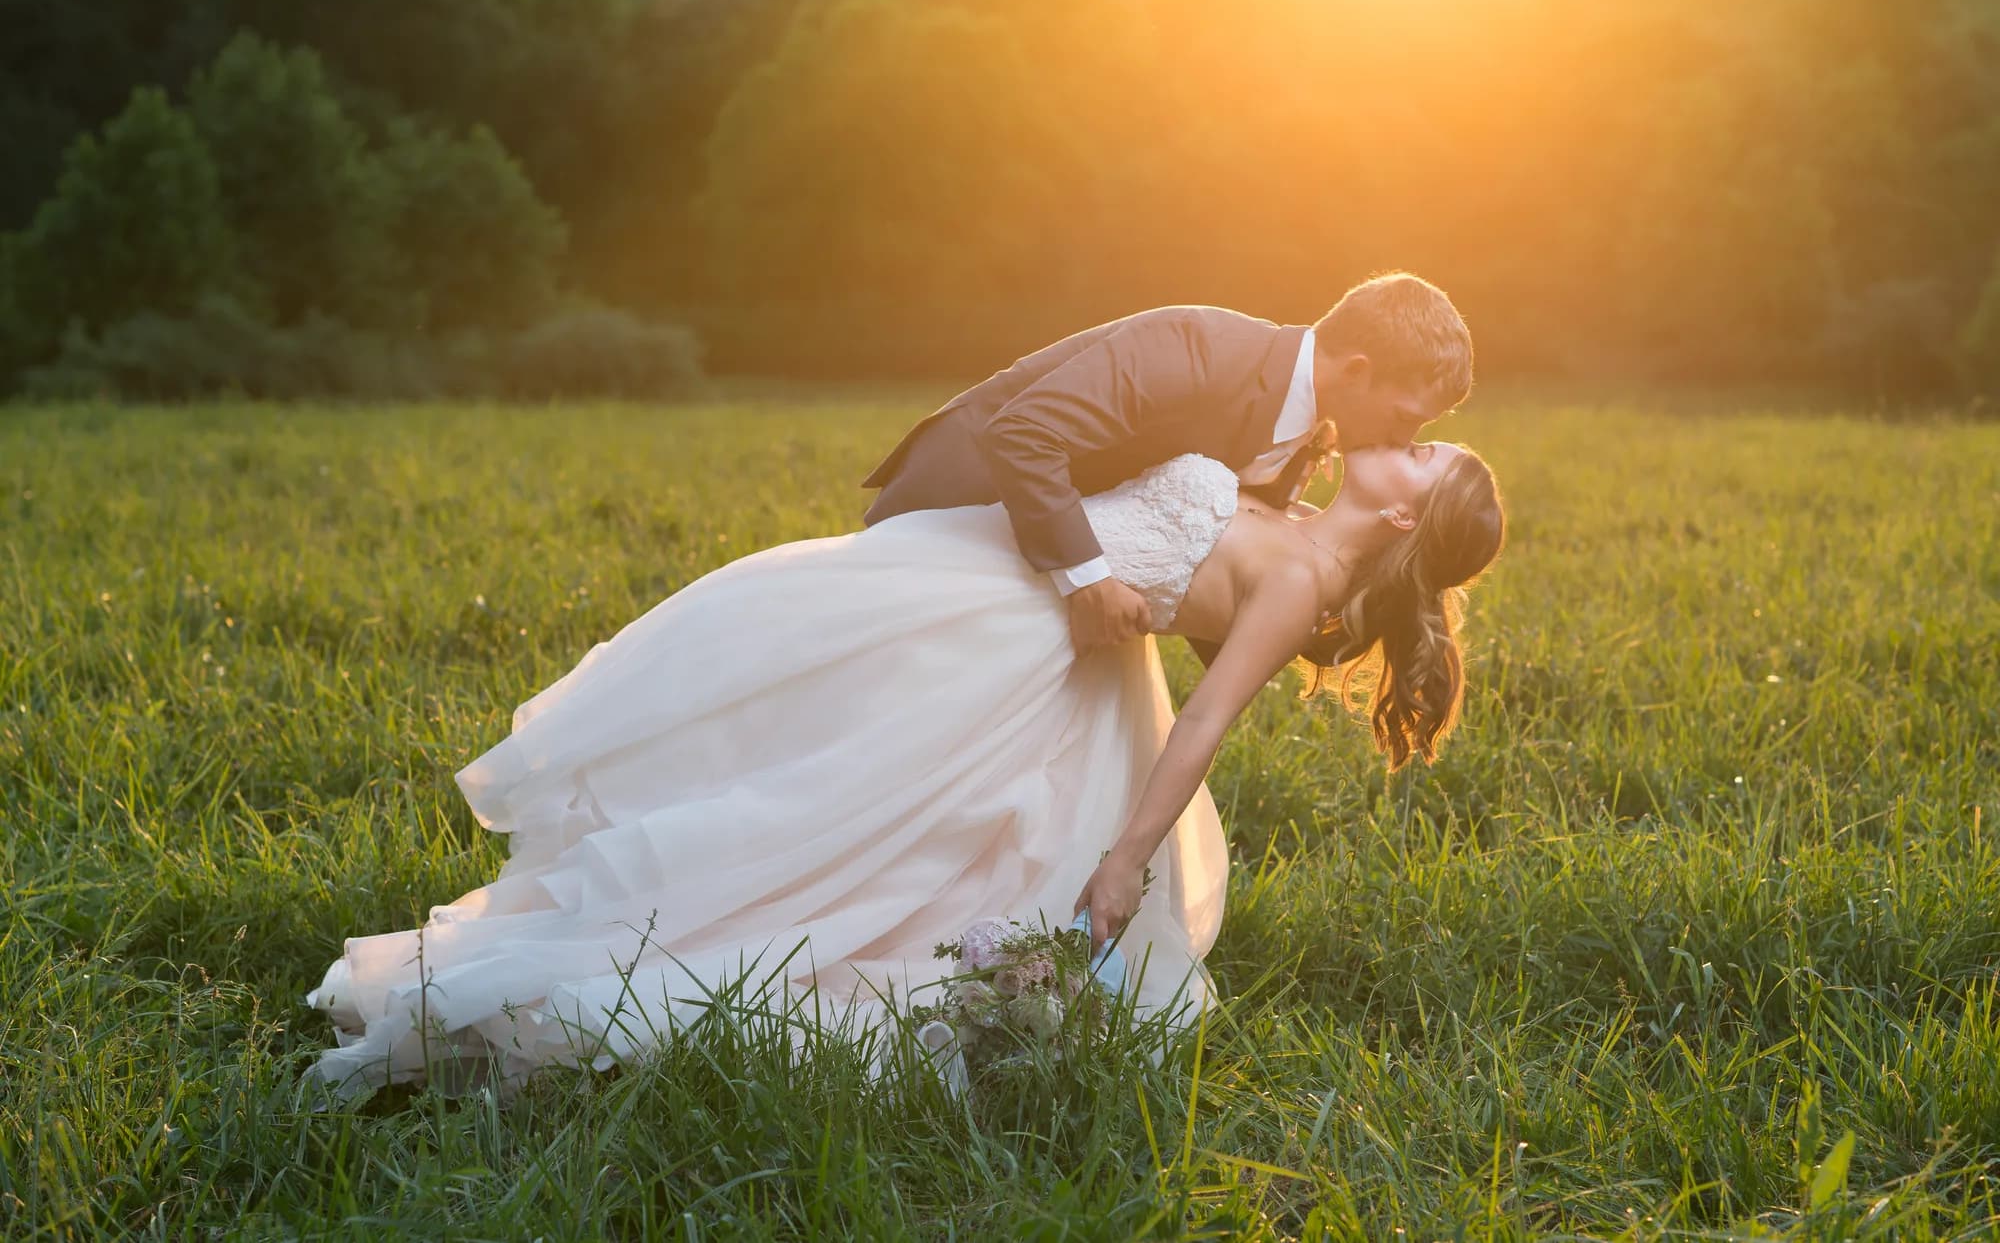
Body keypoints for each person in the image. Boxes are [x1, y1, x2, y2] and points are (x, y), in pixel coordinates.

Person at [304, 436, 1504, 1102]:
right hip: (986, 594)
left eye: (1426, 456)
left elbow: (1201, 727)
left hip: (1020, 657)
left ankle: (642, 990)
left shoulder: (1301, 583)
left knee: (847, 841)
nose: (1406, 439)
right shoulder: (1286, 512)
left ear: (1404, 521)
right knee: (793, 741)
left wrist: (1123, 861)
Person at [862, 272, 1475, 667]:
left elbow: (1200, 559)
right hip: (955, 518)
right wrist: (1089, 582)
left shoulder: (1305, 433)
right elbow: (1023, 435)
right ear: (1357, 371)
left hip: (1044, 576)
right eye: (1405, 419)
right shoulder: (1196, 349)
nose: (1405, 440)